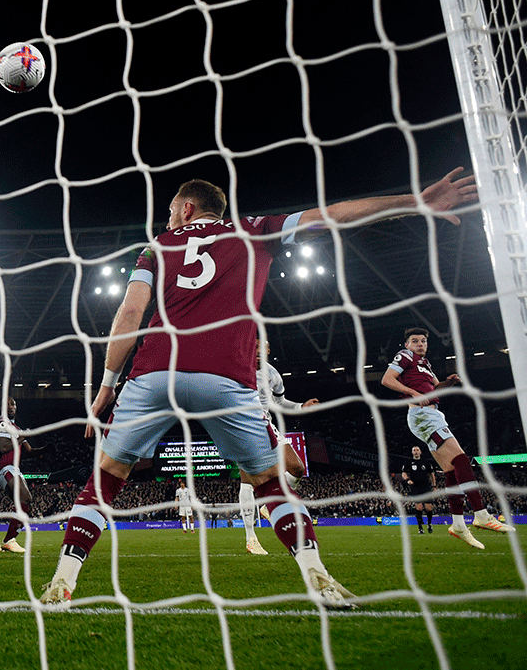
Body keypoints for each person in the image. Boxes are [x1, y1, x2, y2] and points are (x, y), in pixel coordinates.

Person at [41, 169, 479, 609]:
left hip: (154, 374)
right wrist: (412, 201)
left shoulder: (157, 246)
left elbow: (130, 313)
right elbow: (333, 215)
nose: (169, 218)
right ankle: (317, 576)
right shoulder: (255, 230)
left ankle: (62, 581)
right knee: (271, 482)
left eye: (171, 210)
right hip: (225, 377)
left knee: (108, 475)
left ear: (187, 208)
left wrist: (107, 385)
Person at [381, 327, 513, 548]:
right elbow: (387, 379)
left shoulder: (426, 365)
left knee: (452, 470)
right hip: (422, 415)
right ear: (407, 345)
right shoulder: (405, 356)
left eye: (423, 341)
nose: (420, 344)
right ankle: (481, 514)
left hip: (431, 414)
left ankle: (458, 525)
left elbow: (436, 388)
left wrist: (447, 383)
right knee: (462, 459)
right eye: (415, 341)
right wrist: (413, 393)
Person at [242, 337, 318, 555]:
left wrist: (302, 407)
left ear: (268, 351)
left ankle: (269, 502)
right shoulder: (237, 367)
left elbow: (279, 402)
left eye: (261, 348)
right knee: (247, 481)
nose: (257, 352)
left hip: (267, 425)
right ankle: (251, 538)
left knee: (297, 469)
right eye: (253, 347)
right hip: (242, 426)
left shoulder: (273, 374)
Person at [0, 397, 40, 553]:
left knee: (26, 500)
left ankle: (8, 540)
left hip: (14, 468)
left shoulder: (15, 426)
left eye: (13, 404)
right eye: (7, 404)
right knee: (24, 498)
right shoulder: (2, 422)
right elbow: (4, 447)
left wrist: (47, 449)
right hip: (5, 467)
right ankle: (8, 540)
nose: (11, 407)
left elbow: (29, 451)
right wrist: (23, 436)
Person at [401, 445, 437, 535]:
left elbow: (432, 474)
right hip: (415, 487)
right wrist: (407, 480)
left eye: (417, 450)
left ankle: (429, 523)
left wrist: (434, 486)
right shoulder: (409, 462)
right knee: (419, 507)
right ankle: (420, 527)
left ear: (420, 452)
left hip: (426, 486)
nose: (416, 451)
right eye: (414, 450)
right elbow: (403, 473)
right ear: (412, 452)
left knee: (429, 508)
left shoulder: (426, 462)